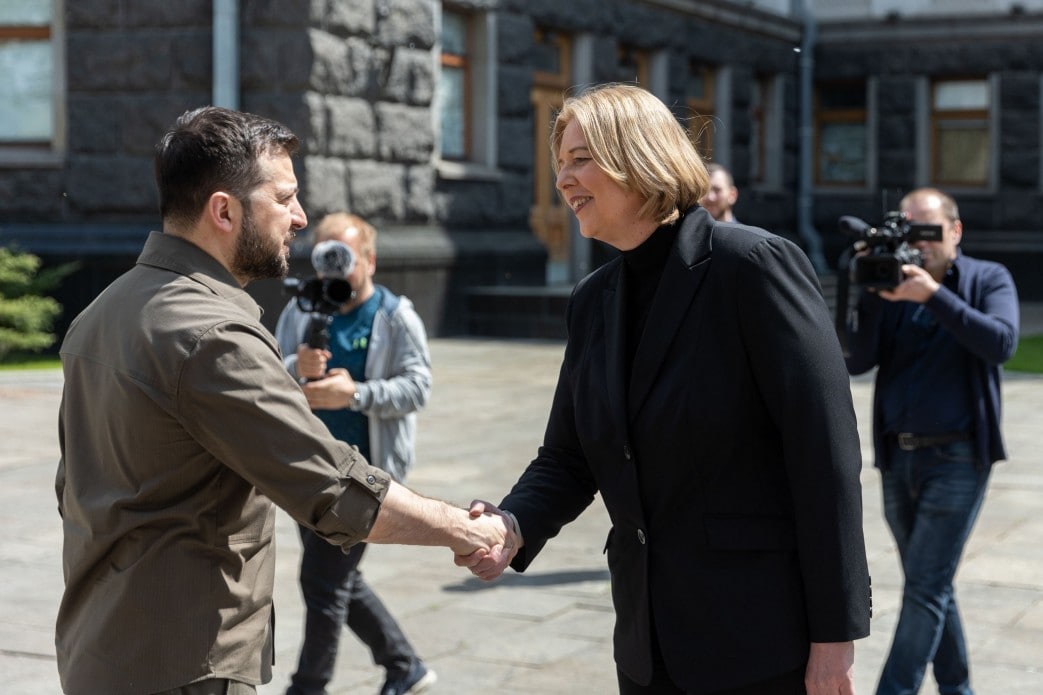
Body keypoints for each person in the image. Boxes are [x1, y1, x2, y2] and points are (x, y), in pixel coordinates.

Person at [54, 106, 511, 695]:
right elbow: (334, 489)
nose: (300, 218)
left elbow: (73, 487)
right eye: (285, 198)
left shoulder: (101, 312)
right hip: (184, 663)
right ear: (224, 211)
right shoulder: (214, 334)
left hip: (101, 647)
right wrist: (467, 529)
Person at [458, 83, 872, 694]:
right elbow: (569, 457)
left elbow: (825, 456)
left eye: (580, 159)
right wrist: (514, 524)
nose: (563, 180)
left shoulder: (752, 267)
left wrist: (835, 637)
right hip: (646, 647)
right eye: (559, 164)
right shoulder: (593, 300)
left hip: (759, 642)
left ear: (640, 158)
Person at [843, 188, 1019, 695]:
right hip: (898, 456)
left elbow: (1001, 342)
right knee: (932, 583)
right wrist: (870, 290)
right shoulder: (893, 283)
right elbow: (858, 360)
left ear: (955, 230)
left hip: (958, 457)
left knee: (924, 587)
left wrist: (933, 297)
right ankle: (957, 688)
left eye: (928, 229)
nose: (919, 242)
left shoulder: (988, 278)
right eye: (910, 230)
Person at [274, 213, 436, 695]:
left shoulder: (394, 316)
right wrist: (296, 366)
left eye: (344, 257)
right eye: (325, 257)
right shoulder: (301, 311)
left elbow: (418, 387)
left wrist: (357, 394)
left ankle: (309, 686)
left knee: (323, 582)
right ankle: (404, 666)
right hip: (308, 470)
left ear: (370, 260)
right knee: (336, 578)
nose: (335, 269)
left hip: (366, 476)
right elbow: (267, 373)